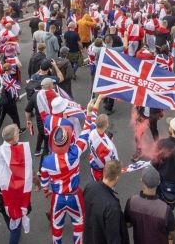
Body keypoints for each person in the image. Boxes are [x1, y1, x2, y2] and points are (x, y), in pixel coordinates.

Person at [40, 96, 103, 244]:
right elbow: (87, 130)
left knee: (56, 226)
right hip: (74, 195)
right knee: (79, 222)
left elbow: (44, 180)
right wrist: (91, 111)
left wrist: (46, 190)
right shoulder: (74, 153)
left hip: (58, 197)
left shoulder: (47, 161)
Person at [0, 124, 33, 244]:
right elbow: (28, 171)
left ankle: (12, 228)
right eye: (17, 132)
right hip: (18, 195)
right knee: (16, 227)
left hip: (1, 194)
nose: (19, 133)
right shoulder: (22, 151)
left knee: (8, 219)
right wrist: (37, 181)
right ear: (14, 137)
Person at [124, 165, 175, 244]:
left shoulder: (131, 202)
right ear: (158, 182)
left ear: (141, 180)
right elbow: (172, 233)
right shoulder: (165, 209)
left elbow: (127, 223)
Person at [82, 159, 130, 244]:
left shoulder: (90, 186)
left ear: (104, 172)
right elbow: (114, 238)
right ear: (117, 178)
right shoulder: (112, 206)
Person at [89, 112, 119, 181]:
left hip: (93, 160)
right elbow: (110, 164)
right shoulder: (107, 148)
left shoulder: (92, 130)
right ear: (106, 125)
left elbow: (93, 115)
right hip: (100, 171)